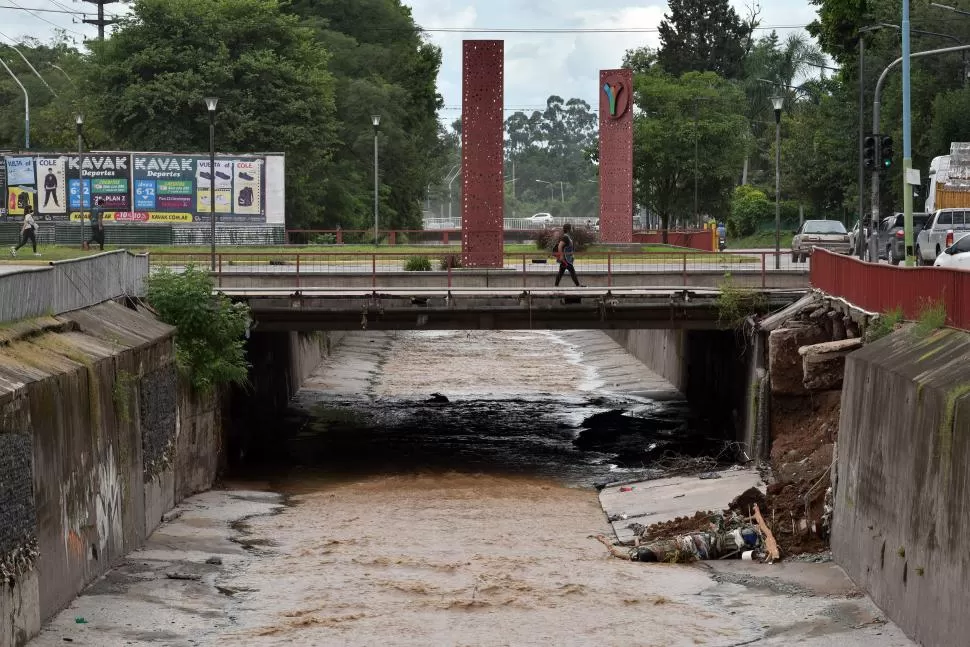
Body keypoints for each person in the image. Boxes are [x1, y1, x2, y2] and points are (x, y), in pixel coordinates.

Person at [554, 223, 584, 287]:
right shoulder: (565, 237)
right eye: (571, 228)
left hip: (567, 259)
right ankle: (578, 285)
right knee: (572, 271)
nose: (572, 230)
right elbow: (560, 246)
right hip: (565, 259)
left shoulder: (567, 237)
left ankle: (556, 285)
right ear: (568, 230)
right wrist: (561, 256)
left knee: (561, 272)